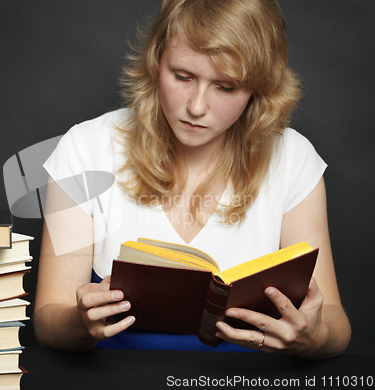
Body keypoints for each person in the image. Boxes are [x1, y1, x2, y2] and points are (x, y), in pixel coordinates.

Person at [33, 0, 351, 359]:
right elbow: (48, 321)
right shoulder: (82, 148)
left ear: (259, 87)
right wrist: (79, 323)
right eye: (183, 77)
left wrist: (315, 338)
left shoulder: (293, 159)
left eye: (226, 87)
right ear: (156, 62)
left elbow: (336, 325)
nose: (197, 107)